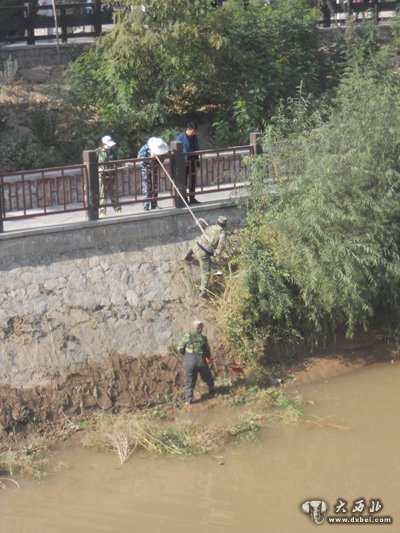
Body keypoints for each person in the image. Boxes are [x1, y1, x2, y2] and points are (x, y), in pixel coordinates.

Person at [184, 215, 228, 298]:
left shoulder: (211, 227)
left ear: (217, 222)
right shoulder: (222, 233)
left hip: (196, 246)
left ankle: (187, 255)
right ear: (225, 225)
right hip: (203, 254)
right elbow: (221, 246)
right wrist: (216, 253)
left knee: (196, 240)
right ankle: (203, 291)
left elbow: (205, 235)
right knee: (205, 271)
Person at [177, 320, 215, 405]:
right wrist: (208, 358)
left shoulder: (187, 336)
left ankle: (188, 401)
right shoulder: (203, 338)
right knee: (207, 376)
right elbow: (207, 351)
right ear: (200, 328)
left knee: (189, 381)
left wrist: (186, 354)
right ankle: (212, 390)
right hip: (201, 362)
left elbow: (179, 348)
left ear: (194, 327)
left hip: (189, 363)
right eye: (202, 328)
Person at [137, 137, 169, 211]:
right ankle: (146, 205)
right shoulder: (145, 148)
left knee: (155, 185)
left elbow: (163, 158)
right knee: (147, 186)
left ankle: (154, 204)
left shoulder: (162, 148)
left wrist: (160, 159)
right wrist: (149, 160)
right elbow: (139, 158)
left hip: (154, 168)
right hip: (146, 169)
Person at [175, 122, 200, 205]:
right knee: (184, 181)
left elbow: (196, 148)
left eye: (195, 131)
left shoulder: (194, 137)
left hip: (192, 161)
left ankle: (192, 197)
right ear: (188, 130)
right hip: (183, 164)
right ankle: (185, 198)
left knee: (192, 180)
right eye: (193, 131)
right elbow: (174, 151)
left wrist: (197, 160)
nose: (194, 133)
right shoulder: (180, 138)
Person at [96, 135, 122, 217]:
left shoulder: (112, 152)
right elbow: (93, 164)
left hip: (112, 175)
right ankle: (102, 211)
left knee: (114, 193)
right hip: (102, 176)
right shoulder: (97, 152)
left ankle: (118, 209)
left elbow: (116, 161)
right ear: (104, 144)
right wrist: (98, 169)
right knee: (102, 193)